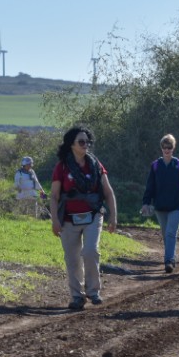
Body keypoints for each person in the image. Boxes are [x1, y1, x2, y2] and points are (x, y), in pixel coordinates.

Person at [50, 126, 117, 310]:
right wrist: (54, 220)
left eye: (87, 141)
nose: (85, 145)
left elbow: (108, 192)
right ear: (71, 144)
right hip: (68, 220)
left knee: (90, 252)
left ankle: (93, 292)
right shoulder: (61, 167)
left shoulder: (95, 164)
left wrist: (113, 216)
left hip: (93, 215)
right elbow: (54, 196)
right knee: (72, 259)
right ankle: (76, 297)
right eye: (81, 141)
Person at [141, 134, 179, 273]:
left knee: (171, 232)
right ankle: (171, 255)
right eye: (164, 147)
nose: (167, 150)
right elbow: (150, 186)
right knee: (165, 233)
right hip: (160, 206)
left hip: (176, 206)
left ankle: (169, 261)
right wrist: (146, 202)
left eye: (169, 147)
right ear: (161, 148)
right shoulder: (156, 165)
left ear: (173, 148)